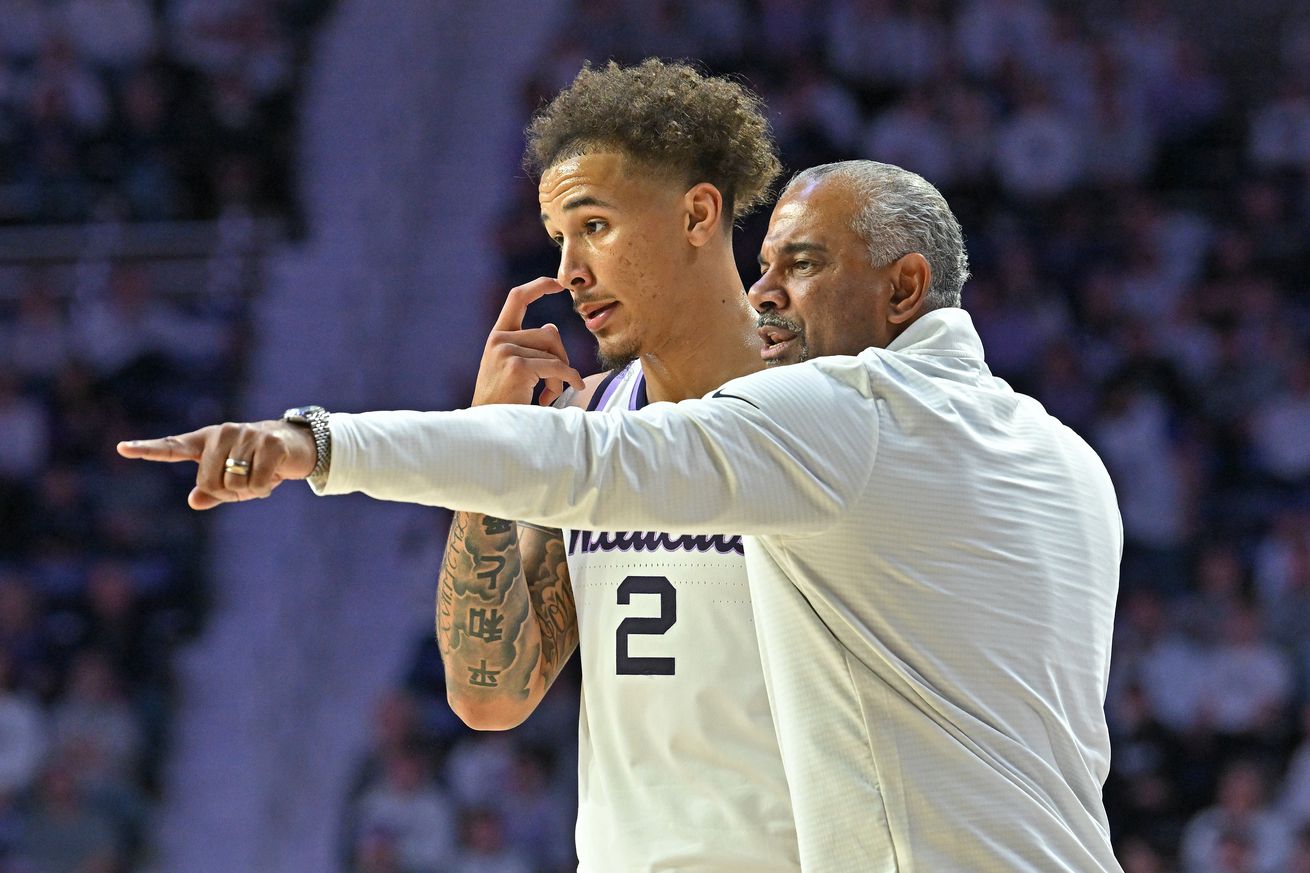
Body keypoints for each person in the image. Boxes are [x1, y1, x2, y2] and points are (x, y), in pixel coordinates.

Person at [119, 160, 1125, 872]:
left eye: (596, 227)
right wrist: (492, 454)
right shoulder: (1062, 458)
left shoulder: (839, 415)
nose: (569, 267)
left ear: (695, 222)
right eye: (557, 234)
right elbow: (490, 692)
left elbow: (583, 463)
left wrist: (315, 444)